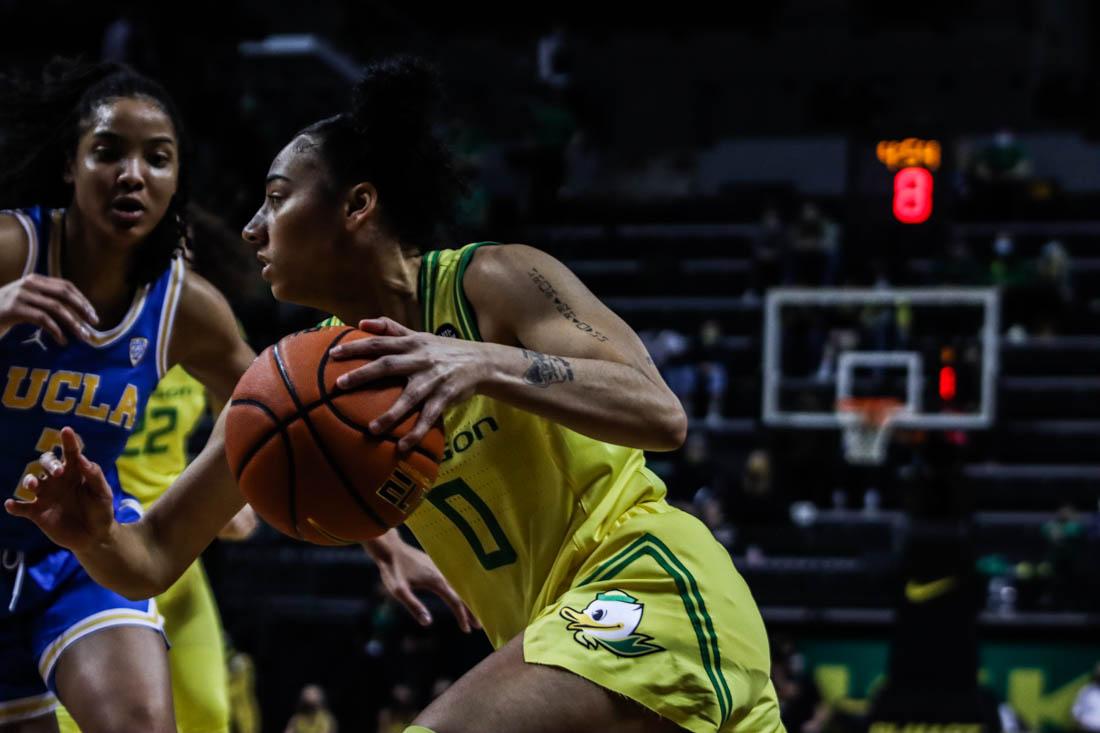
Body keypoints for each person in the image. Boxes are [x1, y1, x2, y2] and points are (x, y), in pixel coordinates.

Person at [9, 56, 782, 733]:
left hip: (650, 584)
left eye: (276, 198)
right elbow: (151, 558)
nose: (250, 228)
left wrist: (478, 361)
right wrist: (91, 532)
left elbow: (659, 411)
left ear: (356, 206)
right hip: (555, 632)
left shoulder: (491, 281)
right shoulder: (293, 383)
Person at [0, 59, 257, 733]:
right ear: (69, 165)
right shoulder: (10, 248)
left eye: (158, 158)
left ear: (177, 181)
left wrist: (384, 543)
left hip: (79, 547)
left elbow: (281, 407)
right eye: (108, 151)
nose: (133, 173)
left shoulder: (186, 307)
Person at [55, 365, 259, 733]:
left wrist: (233, 485)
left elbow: (255, 398)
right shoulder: (78, 335)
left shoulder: (192, 322)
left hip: (175, 548)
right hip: (98, 549)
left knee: (209, 713)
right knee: (81, 723)